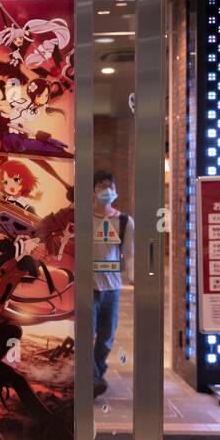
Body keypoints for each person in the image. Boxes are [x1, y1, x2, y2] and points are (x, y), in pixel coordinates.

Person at [92, 170, 133, 398]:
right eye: (100, 186)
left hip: (112, 288)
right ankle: (94, 379)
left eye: (109, 186)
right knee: (87, 334)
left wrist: (134, 276)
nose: (105, 190)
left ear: (115, 191)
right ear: (93, 192)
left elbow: (129, 253)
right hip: (89, 287)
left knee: (106, 338)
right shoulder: (83, 218)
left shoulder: (125, 221)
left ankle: (95, 374)